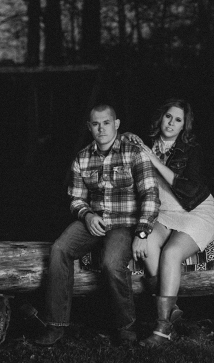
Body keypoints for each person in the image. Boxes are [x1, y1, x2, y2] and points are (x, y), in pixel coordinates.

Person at [33, 103, 160, 346]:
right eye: (95, 124)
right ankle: (56, 324)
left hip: (124, 224)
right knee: (59, 248)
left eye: (106, 122)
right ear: (89, 127)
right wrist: (88, 215)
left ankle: (126, 327)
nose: (101, 128)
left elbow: (151, 196)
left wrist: (142, 232)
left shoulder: (134, 153)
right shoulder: (82, 158)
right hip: (94, 222)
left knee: (111, 263)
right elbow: (76, 198)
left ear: (117, 124)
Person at [126, 98, 214, 347]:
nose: (171, 123)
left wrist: (155, 161)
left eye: (178, 120)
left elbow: (189, 189)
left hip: (196, 211)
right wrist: (125, 136)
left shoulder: (192, 150)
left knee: (170, 253)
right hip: (166, 214)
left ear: (183, 127)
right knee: (146, 245)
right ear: (161, 118)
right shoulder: (149, 146)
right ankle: (172, 310)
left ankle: (162, 328)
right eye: (168, 117)